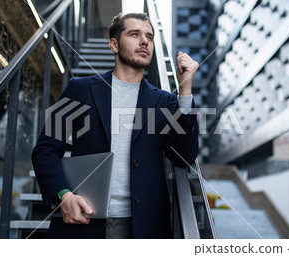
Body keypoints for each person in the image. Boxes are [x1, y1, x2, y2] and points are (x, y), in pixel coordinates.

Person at [32, 12, 199, 239]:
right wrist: (64, 196)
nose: (145, 41)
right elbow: (46, 149)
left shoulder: (166, 102)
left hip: (144, 229)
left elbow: (184, 156)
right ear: (114, 44)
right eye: (134, 34)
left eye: (149, 37)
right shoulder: (80, 90)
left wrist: (185, 91)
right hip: (84, 222)